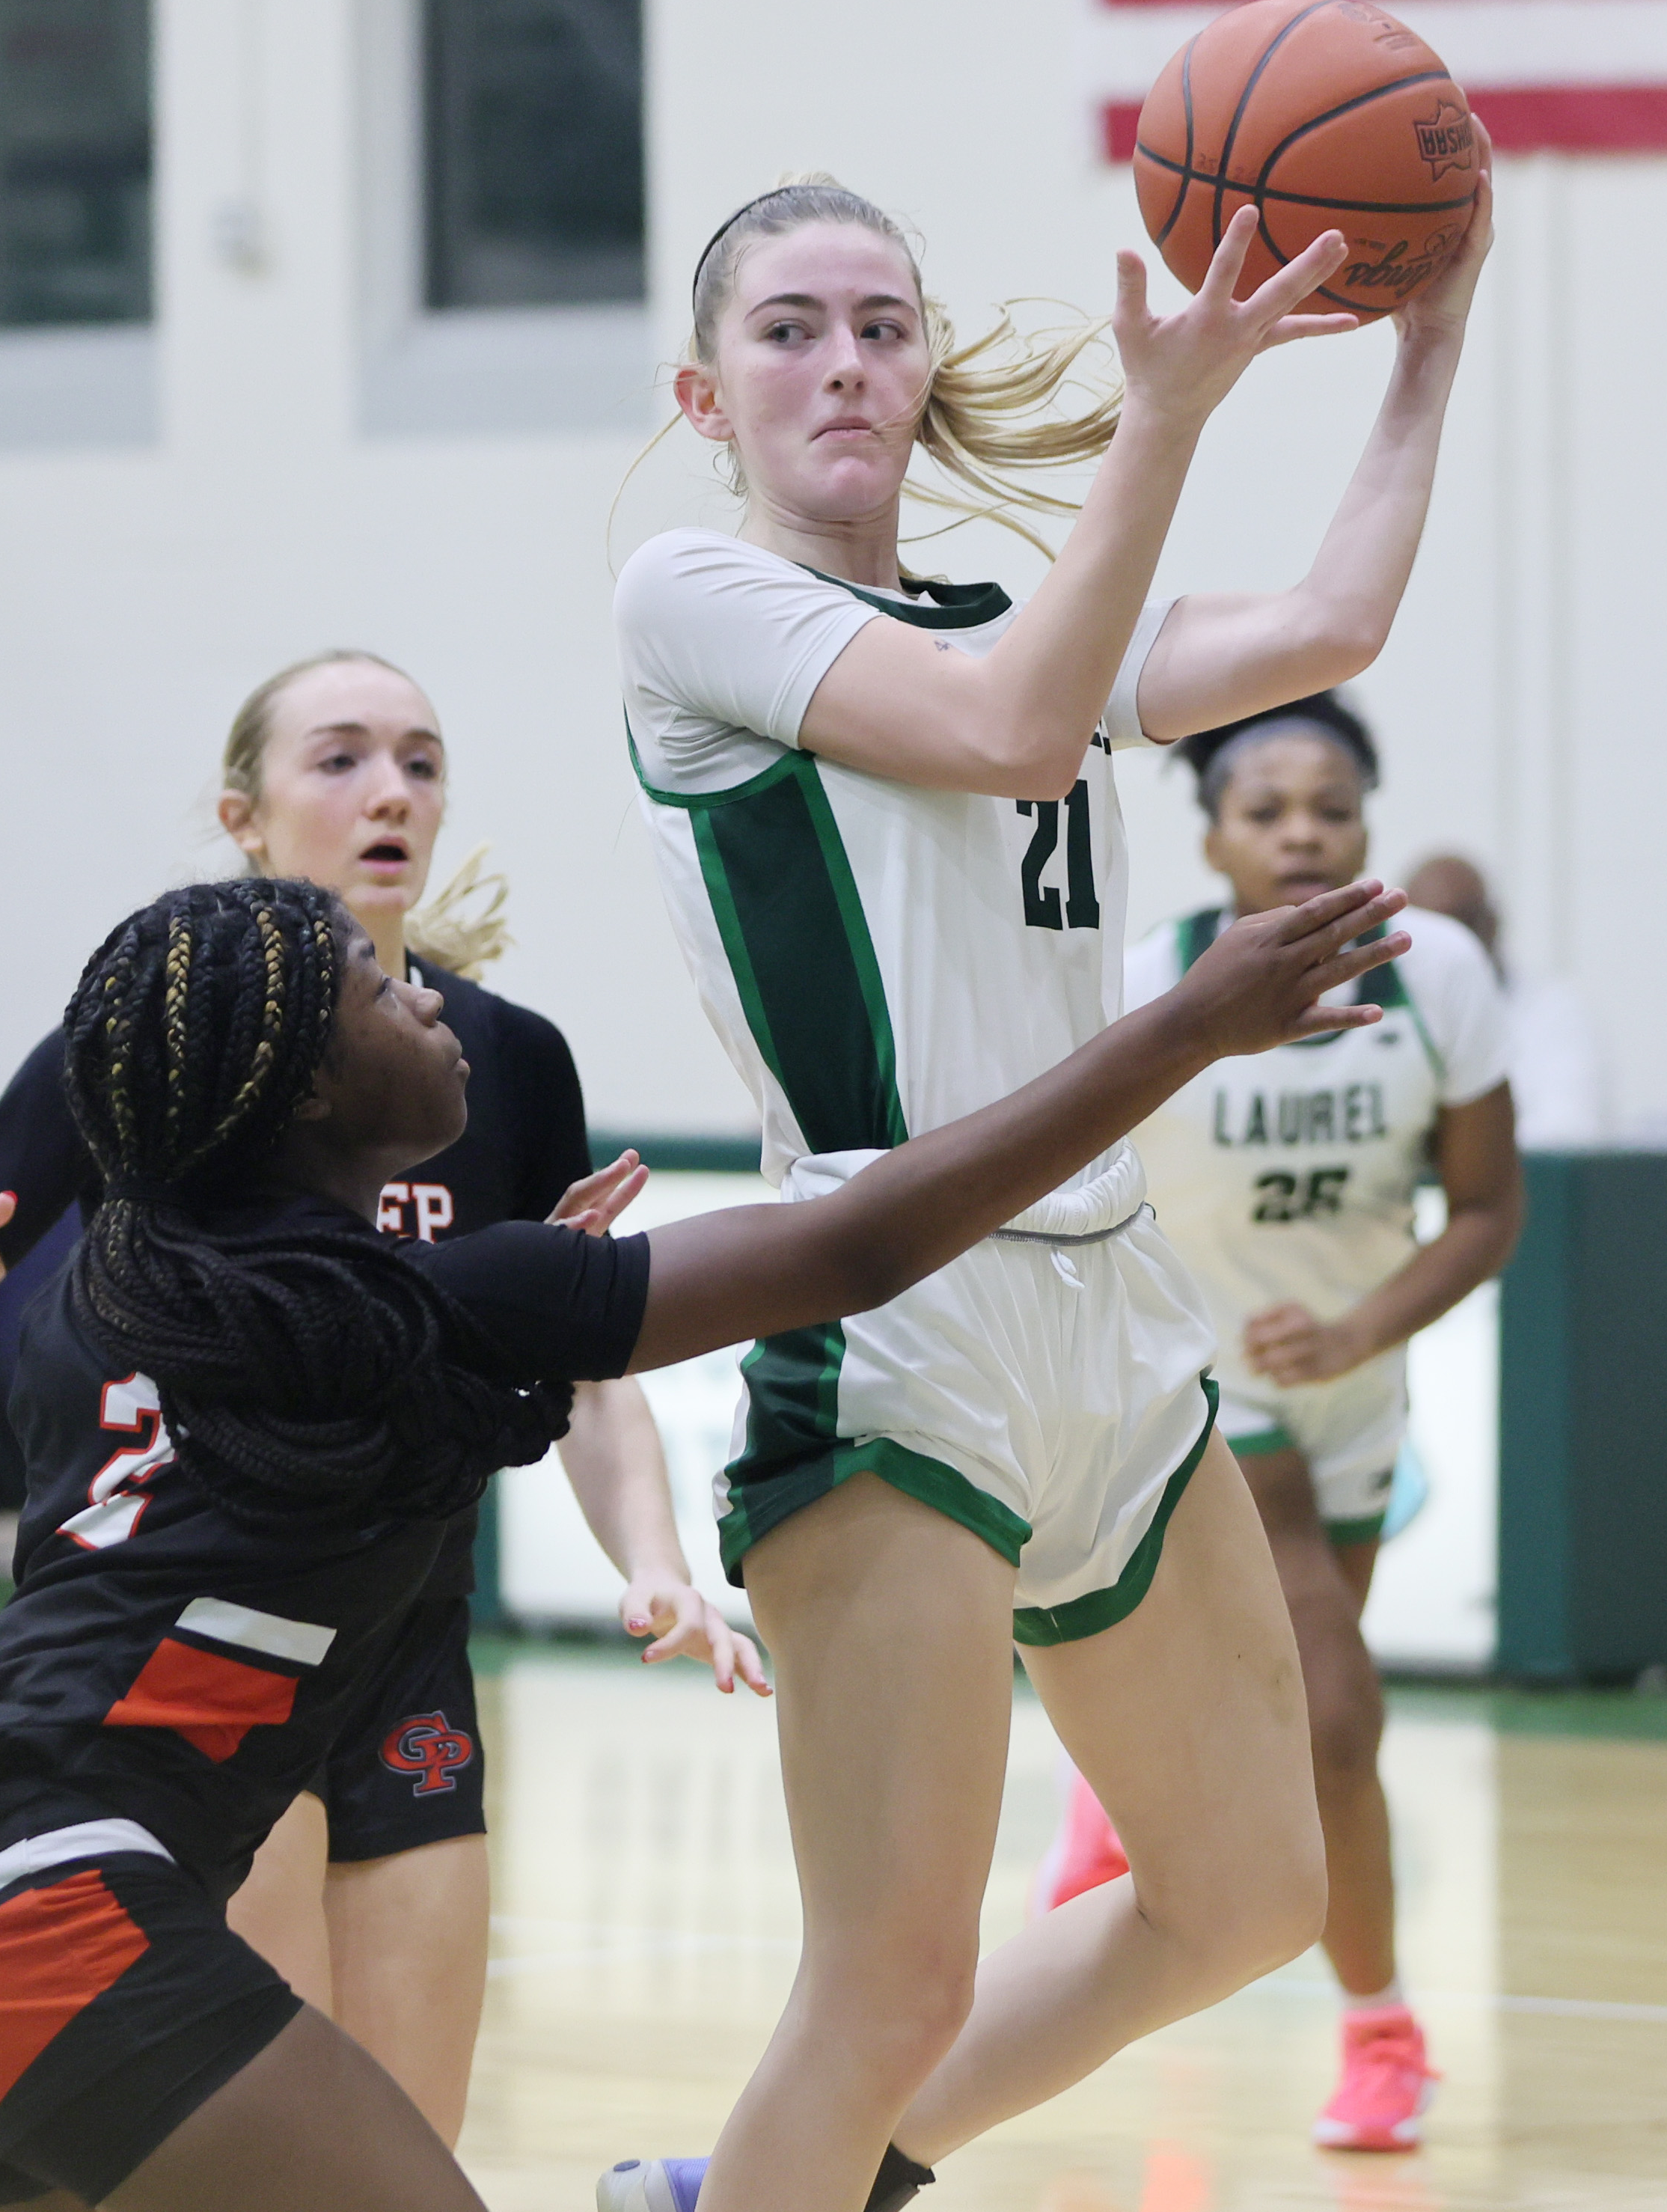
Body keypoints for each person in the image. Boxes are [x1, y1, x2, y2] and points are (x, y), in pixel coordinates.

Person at [0, 867, 1404, 2212]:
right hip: (25, 1889)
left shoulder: (177, 1274)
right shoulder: (423, 1297)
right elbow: (862, 1240)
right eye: (377, 985)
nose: (425, 990)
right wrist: (1185, 1028)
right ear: (298, 1089)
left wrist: (506, 1320)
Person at [605, 151, 1491, 2212]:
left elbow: (1333, 618)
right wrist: (1167, 416)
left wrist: (1426, 345)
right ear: (700, 392)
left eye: (883, 325)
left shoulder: (1026, 612)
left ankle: (780, 2185)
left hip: (1113, 1306)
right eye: (789, 330)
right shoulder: (695, 597)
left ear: (926, 373)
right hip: (891, 1306)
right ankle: (778, 2181)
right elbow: (1012, 733)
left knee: (1253, 1883)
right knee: (885, 1973)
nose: (843, 363)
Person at [0, 649, 764, 2148]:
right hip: (180, 1663)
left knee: (406, 2139)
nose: (392, 790)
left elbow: (581, 1371)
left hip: (399, 1642)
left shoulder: (499, 1063)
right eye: (340, 758)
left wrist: (655, 1563)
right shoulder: (139, 1056)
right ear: (241, 816)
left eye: (422, 759)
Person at [1035, 694, 1522, 2152]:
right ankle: (1383, 2026)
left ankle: (1115, 1772)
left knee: (1282, 1702)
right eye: (1265, 810)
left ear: (1366, 821)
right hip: (1207, 1376)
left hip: (1358, 1379)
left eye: (1329, 806)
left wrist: (1366, 1327)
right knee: (1332, 1712)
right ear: (1210, 837)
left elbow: (1488, 1207)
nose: (1301, 831)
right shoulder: (1148, 986)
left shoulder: (1440, 974)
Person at [1404, 852, 1608, 1148]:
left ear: (1492, 923)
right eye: (1431, 932)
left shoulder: (1555, 1011)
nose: (1448, 947)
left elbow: (1570, 1134)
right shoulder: (1380, 1013)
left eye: (1460, 925)